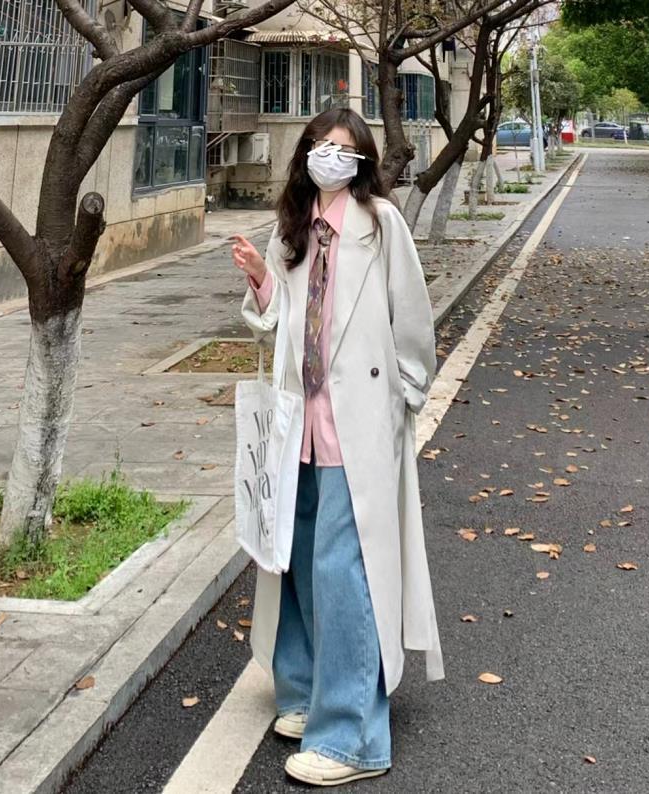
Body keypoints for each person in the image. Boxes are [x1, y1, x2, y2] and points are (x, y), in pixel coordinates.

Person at [231, 107, 444, 787]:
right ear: (305, 154)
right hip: (296, 422)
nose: (331, 156)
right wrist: (259, 278)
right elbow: (278, 320)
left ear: (362, 162)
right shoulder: (290, 228)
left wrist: (403, 397)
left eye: (344, 149)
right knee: (293, 561)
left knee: (343, 572)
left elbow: (411, 318)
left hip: (356, 423)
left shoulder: (380, 224)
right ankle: (302, 693)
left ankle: (352, 736)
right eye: (321, 145)